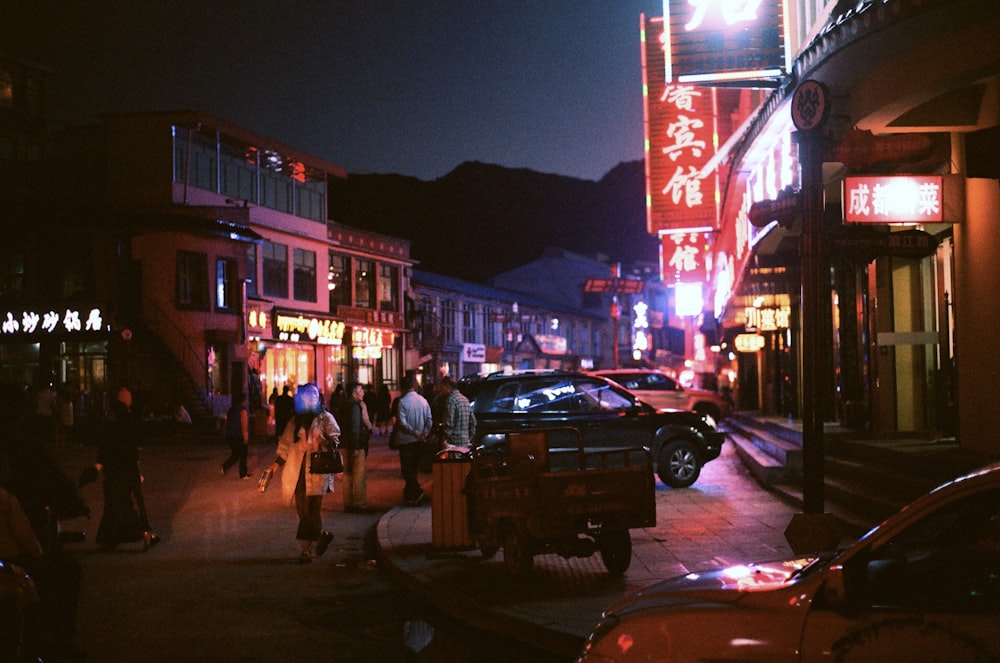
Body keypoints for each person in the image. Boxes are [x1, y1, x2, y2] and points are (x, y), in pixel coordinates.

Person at [265, 383, 340, 563]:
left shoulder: (325, 418)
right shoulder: (294, 421)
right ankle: (322, 535)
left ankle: (306, 551)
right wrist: (274, 467)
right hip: (297, 473)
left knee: (312, 511)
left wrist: (321, 440)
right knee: (302, 511)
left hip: (318, 472)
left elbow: (335, 440)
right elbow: (284, 447)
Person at [94, 387, 159, 551]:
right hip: (127, 471)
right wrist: (137, 470)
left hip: (116, 473)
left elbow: (107, 447)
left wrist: (98, 466)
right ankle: (114, 537)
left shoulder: (114, 423)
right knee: (120, 506)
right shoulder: (128, 421)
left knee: (117, 506)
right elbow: (132, 449)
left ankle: (127, 535)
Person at [392, 374, 433, 506]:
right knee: (414, 467)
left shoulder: (402, 402)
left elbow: (402, 423)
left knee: (407, 469)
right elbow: (429, 420)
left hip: (406, 440)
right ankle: (411, 495)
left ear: (402, 387)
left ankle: (416, 491)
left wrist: (415, 433)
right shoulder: (423, 400)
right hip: (419, 440)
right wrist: (423, 434)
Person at [338, 382, 372, 513]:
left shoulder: (343, 405)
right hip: (355, 445)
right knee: (359, 475)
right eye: (360, 391)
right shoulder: (355, 407)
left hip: (344, 444)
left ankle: (348, 503)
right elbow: (355, 427)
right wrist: (356, 446)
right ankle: (360, 503)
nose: (363, 393)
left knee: (347, 475)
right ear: (354, 393)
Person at [440, 376, 476, 448]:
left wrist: (444, 439)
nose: (441, 391)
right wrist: (469, 438)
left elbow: (449, 423)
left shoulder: (450, 400)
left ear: (447, 386)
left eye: (442, 387)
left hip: (453, 443)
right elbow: (473, 422)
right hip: (465, 442)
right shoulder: (465, 399)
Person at [221, 393, 250, 479]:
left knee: (235, 455)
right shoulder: (243, 411)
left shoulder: (231, 410)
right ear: (243, 400)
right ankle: (243, 474)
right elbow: (244, 424)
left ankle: (224, 466)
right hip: (239, 435)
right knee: (243, 455)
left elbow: (227, 422)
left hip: (230, 435)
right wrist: (245, 437)